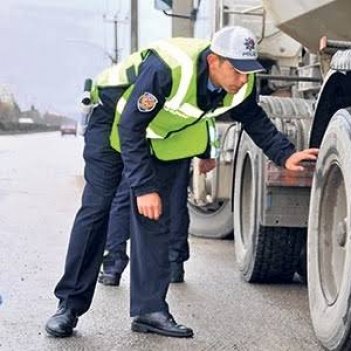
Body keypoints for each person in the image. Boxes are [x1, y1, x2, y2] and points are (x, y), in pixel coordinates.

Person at [45, 26, 318, 339]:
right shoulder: (167, 68)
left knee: (155, 217)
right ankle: (68, 305)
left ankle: (149, 310)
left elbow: (253, 118)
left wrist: (285, 155)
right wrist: (144, 188)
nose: (243, 79)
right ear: (214, 61)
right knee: (97, 209)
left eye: (248, 71)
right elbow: (131, 128)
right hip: (114, 122)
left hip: (163, 135)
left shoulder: (241, 82)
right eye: (237, 70)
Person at [98, 159, 192, 287]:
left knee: (125, 197)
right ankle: (174, 264)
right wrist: (206, 154)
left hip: (138, 146)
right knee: (175, 199)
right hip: (176, 147)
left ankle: (113, 266)